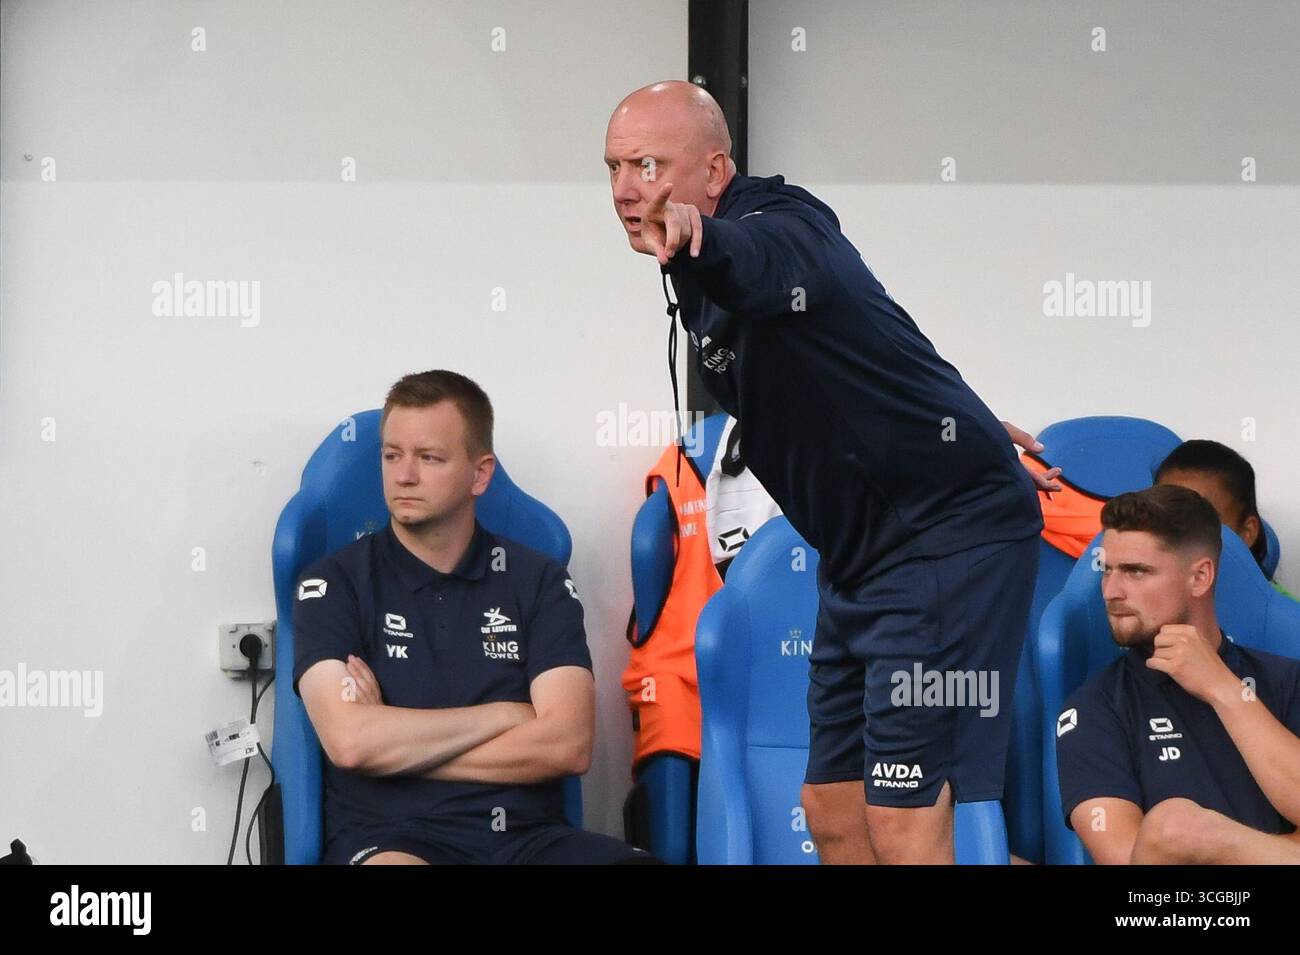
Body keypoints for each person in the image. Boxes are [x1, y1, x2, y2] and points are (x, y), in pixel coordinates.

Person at [606, 80, 1061, 863]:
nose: (624, 189)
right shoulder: (692, 270)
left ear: (716, 171)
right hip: (860, 558)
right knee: (831, 805)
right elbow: (876, 332)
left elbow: (771, 262)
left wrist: (702, 238)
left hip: (947, 542)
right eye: (613, 166)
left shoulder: (780, 226)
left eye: (649, 165)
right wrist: (972, 420)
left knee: (903, 808)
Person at [293, 370, 656, 864]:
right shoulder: (333, 584)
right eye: (392, 455)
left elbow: (568, 745)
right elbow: (352, 742)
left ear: (480, 474)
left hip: (529, 840)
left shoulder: (538, 581)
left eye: (429, 458)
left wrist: (397, 746)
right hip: (392, 838)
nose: (404, 476)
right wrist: (506, 716)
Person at [1056, 484, 1300, 863]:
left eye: (1136, 571)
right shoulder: (1094, 709)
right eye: (1107, 571)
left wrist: (1222, 688)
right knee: (1175, 826)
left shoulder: (1286, 682)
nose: (1111, 591)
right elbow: (1132, 863)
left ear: (1200, 577)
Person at [1155, 438, 1296, 600]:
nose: (1176, 533)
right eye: (1164, 514)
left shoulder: (1285, 617)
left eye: (1200, 517)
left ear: (1246, 533)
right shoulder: (1131, 597)